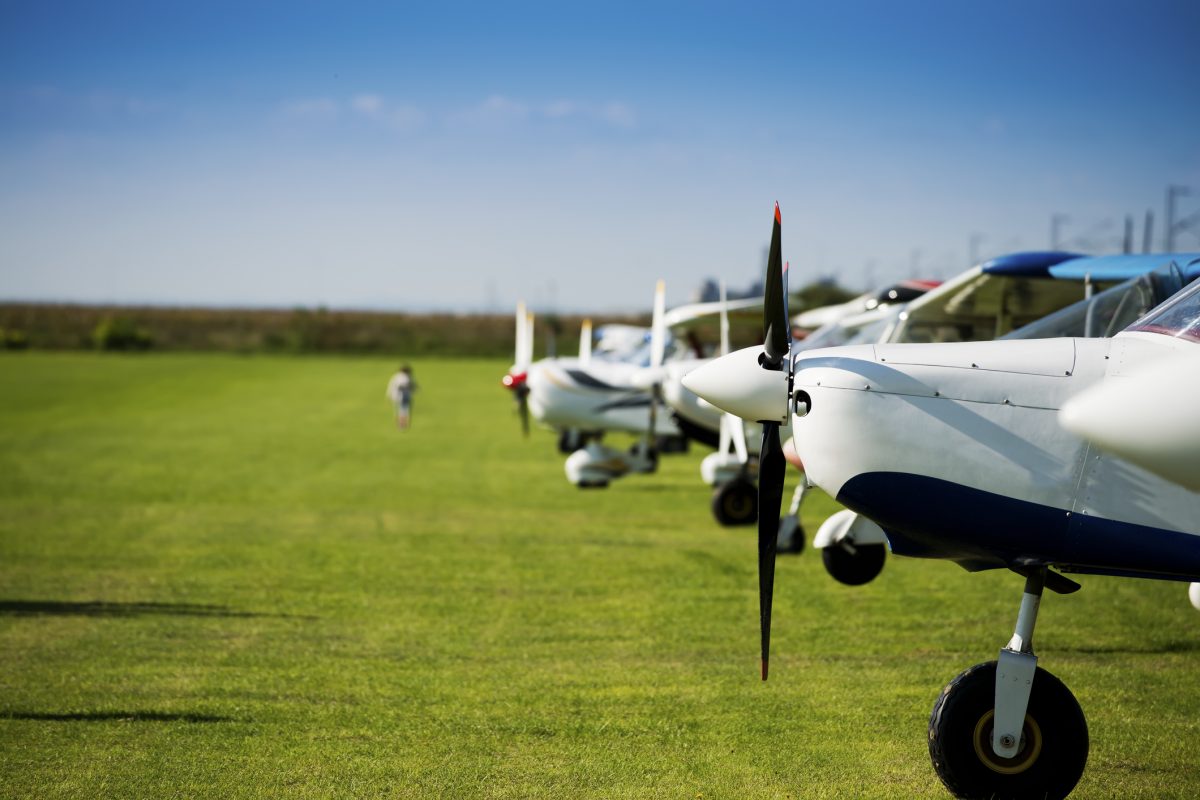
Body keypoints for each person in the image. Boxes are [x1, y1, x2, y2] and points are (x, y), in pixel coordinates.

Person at [385, 365, 417, 430]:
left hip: (395, 396)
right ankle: (402, 425)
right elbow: (402, 386)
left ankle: (400, 425)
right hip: (402, 396)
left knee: (398, 411)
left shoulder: (396, 376)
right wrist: (411, 388)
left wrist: (389, 395)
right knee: (404, 411)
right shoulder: (405, 377)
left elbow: (391, 386)